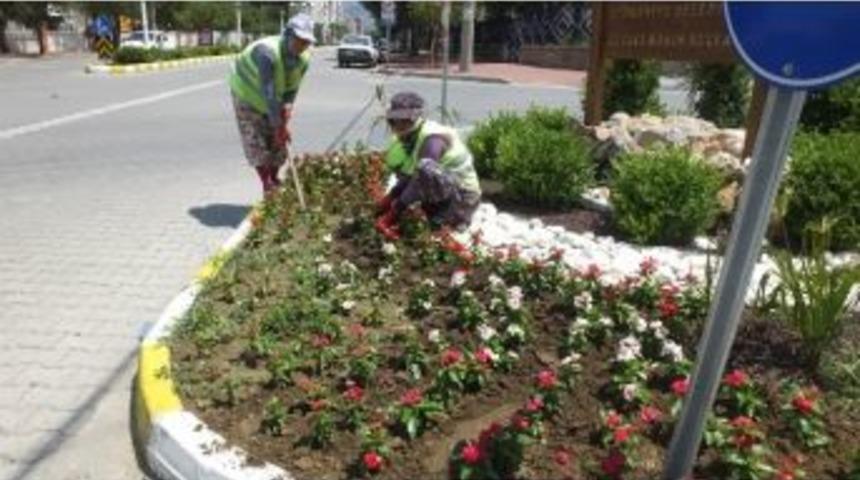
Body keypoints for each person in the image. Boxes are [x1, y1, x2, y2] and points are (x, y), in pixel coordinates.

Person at [375, 91, 482, 240]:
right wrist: (387, 201)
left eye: (403, 120)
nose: (397, 125)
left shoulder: (432, 138)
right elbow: (408, 176)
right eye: (394, 120)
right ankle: (431, 215)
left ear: (413, 118)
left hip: (463, 196)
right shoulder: (412, 137)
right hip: (444, 191)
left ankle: (447, 219)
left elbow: (420, 178)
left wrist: (392, 215)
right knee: (413, 176)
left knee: (426, 169)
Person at [229, 13, 315, 196]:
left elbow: (292, 89)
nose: (302, 45)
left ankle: (275, 178)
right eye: (299, 40)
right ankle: (267, 183)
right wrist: (279, 124)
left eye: (306, 41)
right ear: (288, 35)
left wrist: (287, 110)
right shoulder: (266, 53)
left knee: (279, 141)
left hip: (273, 99)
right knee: (256, 140)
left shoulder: (304, 59)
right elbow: (269, 93)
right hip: (246, 94)